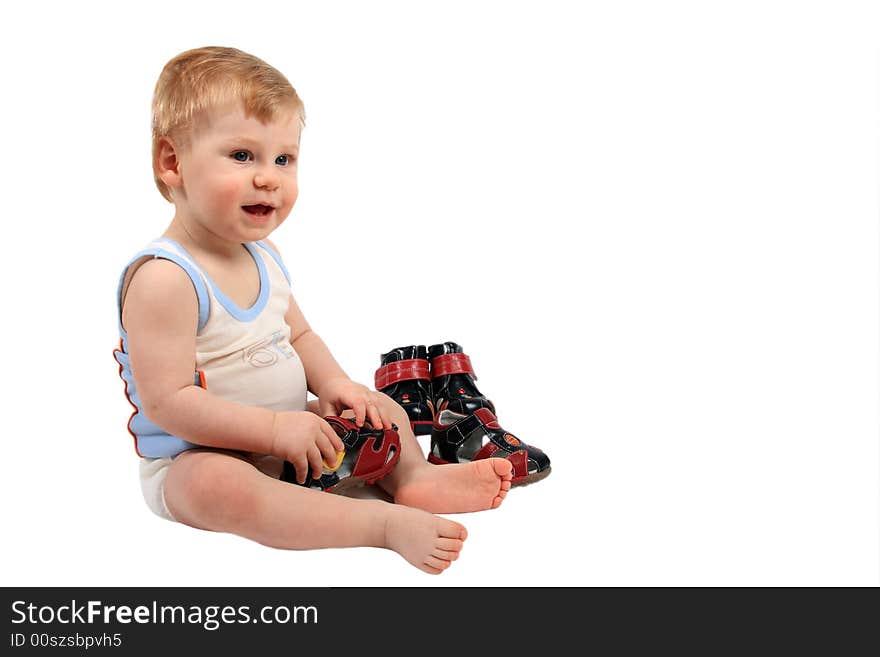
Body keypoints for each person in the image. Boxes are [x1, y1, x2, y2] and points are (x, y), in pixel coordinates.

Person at [113, 46, 513, 575]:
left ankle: (413, 480)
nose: (269, 178)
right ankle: (381, 526)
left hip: (288, 434)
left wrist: (335, 386)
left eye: (284, 159)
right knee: (216, 486)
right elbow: (169, 403)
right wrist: (275, 432)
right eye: (242, 156)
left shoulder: (266, 257)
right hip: (200, 456)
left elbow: (299, 337)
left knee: (380, 407)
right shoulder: (165, 278)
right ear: (173, 163)